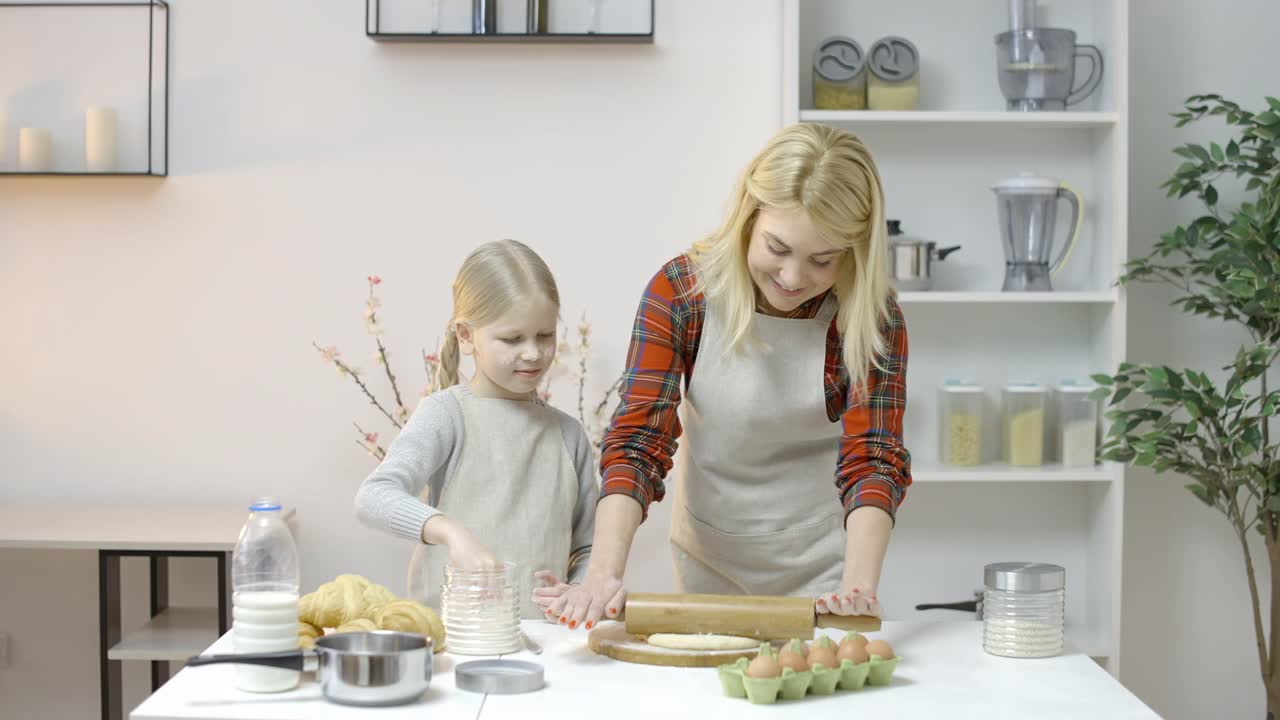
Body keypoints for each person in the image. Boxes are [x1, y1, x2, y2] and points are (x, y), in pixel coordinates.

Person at [535, 123, 911, 631]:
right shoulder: (682, 292)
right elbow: (639, 442)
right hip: (709, 560)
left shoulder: (869, 314)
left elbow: (873, 457)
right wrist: (601, 573)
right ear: (749, 216)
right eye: (777, 248)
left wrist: (859, 588)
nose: (794, 277)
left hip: (828, 570)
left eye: (823, 260)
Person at [354, 239, 598, 620]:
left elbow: (588, 545)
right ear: (466, 336)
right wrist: (450, 532)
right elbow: (373, 497)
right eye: (512, 339)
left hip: (543, 646)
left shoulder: (568, 435)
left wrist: (580, 588)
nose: (533, 353)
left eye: (545, 335)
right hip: (452, 641)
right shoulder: (446, 415)